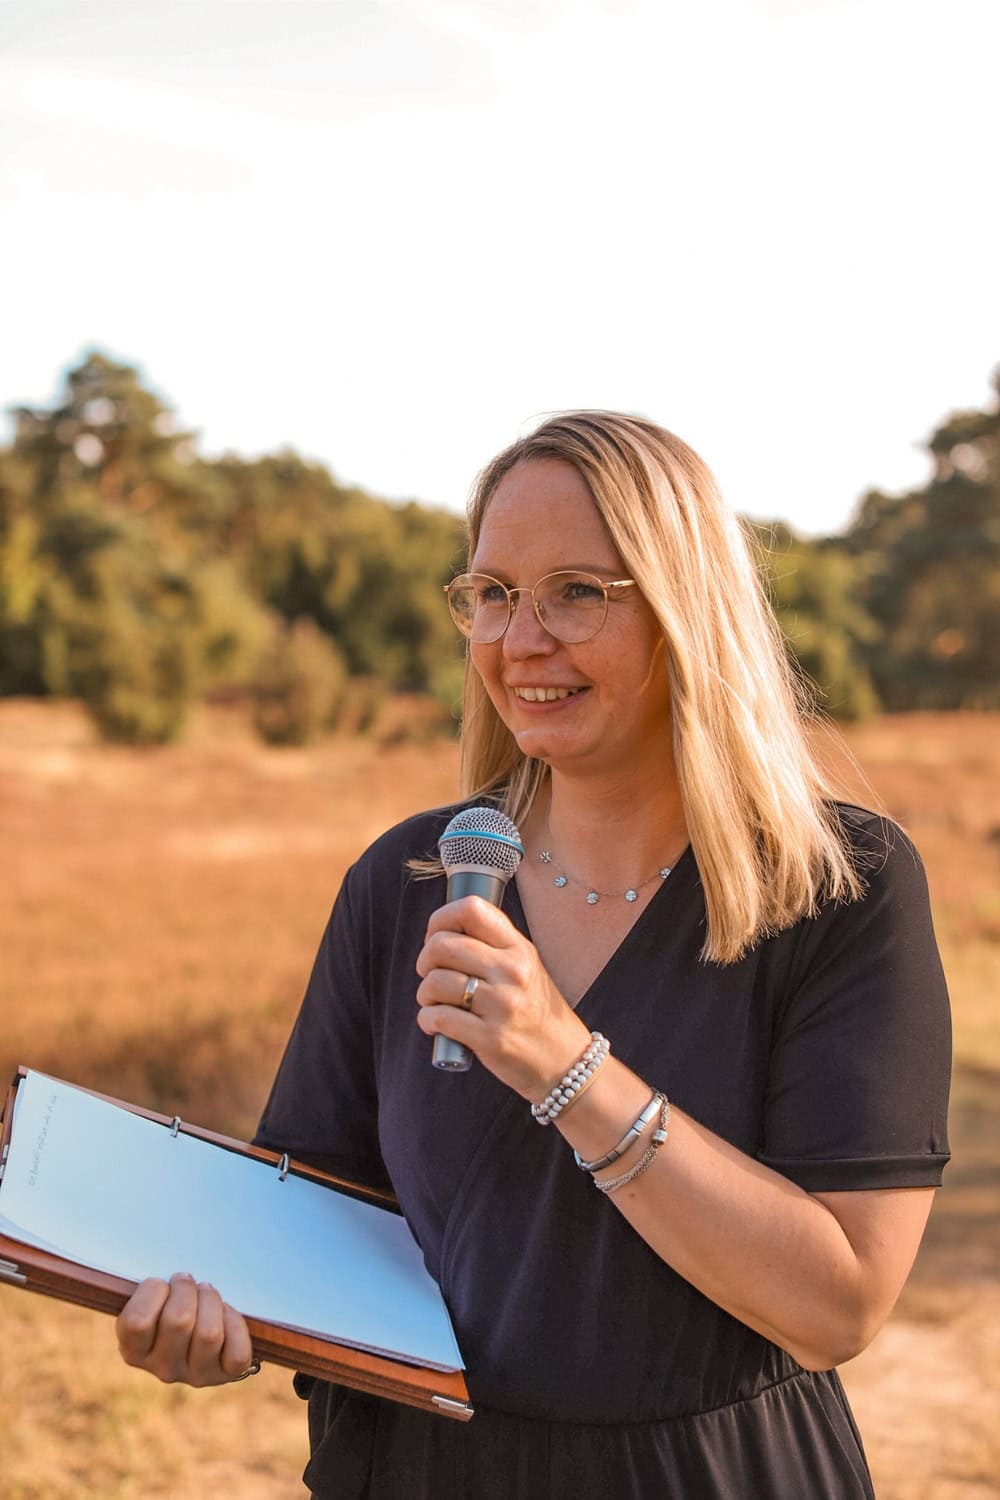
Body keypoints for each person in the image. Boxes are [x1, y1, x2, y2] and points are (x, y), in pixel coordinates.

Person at [116, 412, 951, 1498]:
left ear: (686, 611)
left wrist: (566, 1066)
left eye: (575, 592)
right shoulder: (404, 879)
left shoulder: (841, 885)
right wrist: (218, 1316)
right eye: (494, 593)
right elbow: (311, 1225)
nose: (519, 640)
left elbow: (838, 1306)